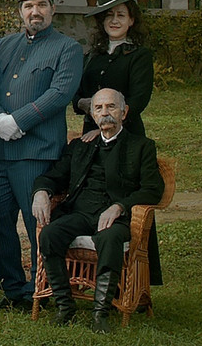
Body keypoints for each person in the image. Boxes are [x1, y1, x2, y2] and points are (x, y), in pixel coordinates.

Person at [0, 0, 84, 311]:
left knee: (36, 224)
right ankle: (13, 289)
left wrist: (19, 121)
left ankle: (40, 288)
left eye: (41, 5)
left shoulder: (68, 48)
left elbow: (60, 93)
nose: (35, 12)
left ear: (53, 9)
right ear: (21, 12)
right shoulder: (5, 45)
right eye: (28, 6)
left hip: (37, 152)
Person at [32, 87, 164, 332]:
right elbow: (54, 176)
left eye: (111, 107)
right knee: (50, 234)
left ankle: (100, 314)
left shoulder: (141, 146)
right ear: (92, 115)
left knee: (109, 239)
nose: (105, 113)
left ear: (124, 112)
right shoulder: (80, 146)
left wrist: (119, 206)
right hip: (81, 213)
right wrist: (41, 191)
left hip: (117, 220)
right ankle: (64, 307)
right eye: (99, 108)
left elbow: (153, 189)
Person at [74, 0, 154, 139]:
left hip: (126, 136)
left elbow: (138, 100)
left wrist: (106, 128)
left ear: (131, 20)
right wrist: (83, 103)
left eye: (121, 15)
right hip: (90, 135)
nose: (114, 20)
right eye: (109, 15)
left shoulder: (139, 56)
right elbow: (76, 95)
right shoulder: (92, 56)